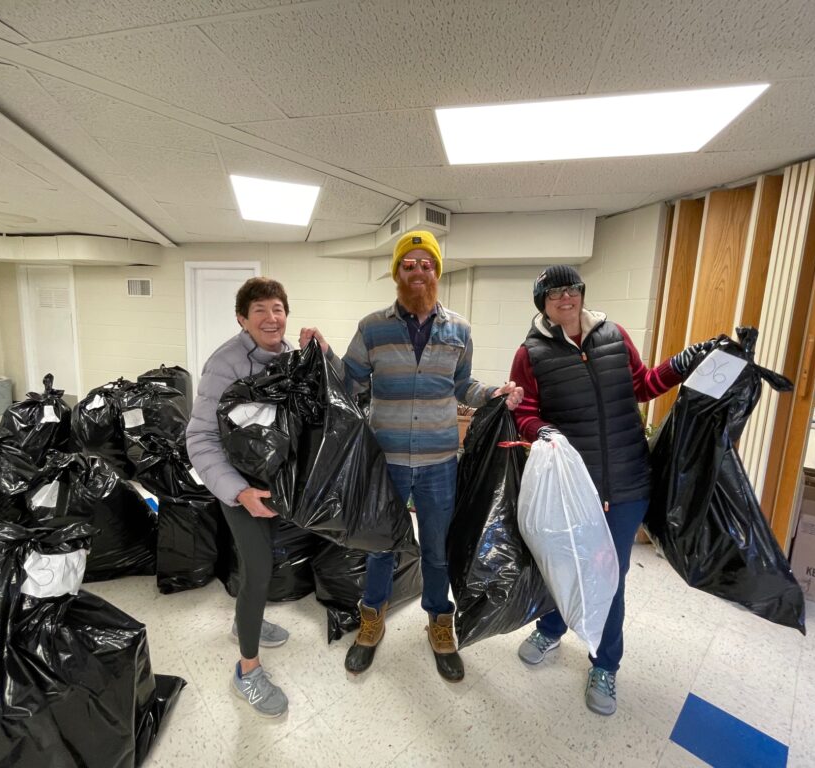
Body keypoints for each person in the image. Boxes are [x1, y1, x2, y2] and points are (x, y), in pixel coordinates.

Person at [509, 264, 708, 716]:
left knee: (609, 574)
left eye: (572, 289)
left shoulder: (613, 335)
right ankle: (552, 627)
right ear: (542, 302)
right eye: (554, 292)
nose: (566, 297)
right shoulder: (530, 353)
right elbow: (526, 412)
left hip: (626, 482)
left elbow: (643, 386)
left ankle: (606, 664)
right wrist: (544, 431)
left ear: (581, 293)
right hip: (571, 487)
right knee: (562, 564)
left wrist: (682, 363)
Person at [341, 230, 523, 682]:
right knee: (383, 546)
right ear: (397, 272)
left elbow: (463, 386)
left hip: (441, 459)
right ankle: (371, 620)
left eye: (427, 264)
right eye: (409, 264)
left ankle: (440, 624)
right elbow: (347, 384)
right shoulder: (372, 328)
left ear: (437, 273)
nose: (418, 271)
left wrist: (493, 393)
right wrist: (319, 355)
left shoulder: (459, 329)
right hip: (388, 459)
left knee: (437, 550)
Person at [186, 276, 337, 718]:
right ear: (242, 319)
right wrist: (238, 492)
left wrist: (324, 355)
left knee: (265, 561)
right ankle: (246, 671)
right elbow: (199, 437)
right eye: (260, 311)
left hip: (275, 485)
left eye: (278, 309)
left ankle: (241, 624)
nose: (271, 318)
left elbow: (338, 395)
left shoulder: (290, 356)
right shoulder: (225, 363)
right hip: (241, 488)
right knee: (258, 571)